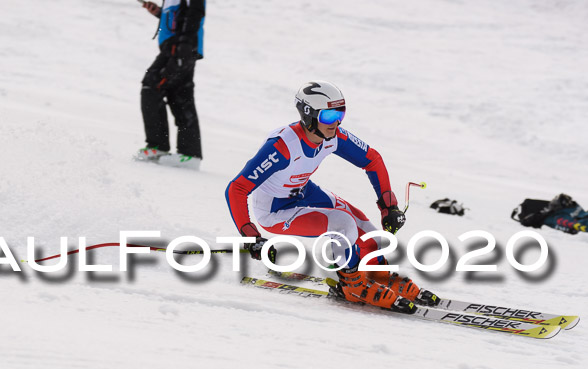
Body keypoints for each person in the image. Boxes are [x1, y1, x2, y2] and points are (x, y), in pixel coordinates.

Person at [225, 81, 436, 312]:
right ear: (309, 115)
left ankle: (377, 275)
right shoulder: (282, 147)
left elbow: (373, 160)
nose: (335, 122)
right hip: (275, 210)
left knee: (366, 228)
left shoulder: (333, 136)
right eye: (328, 116)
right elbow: (236, 188)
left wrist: (389, 207)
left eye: (340, 114)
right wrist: (251, 236)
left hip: (304, 191)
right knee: (343, 224)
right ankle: (352, 285)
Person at [134, 0, 205, 170]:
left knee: (151, 86)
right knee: (179, 95)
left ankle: (158, 147)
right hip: (177, 47)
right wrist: (159, 12)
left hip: (179, 48)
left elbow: (195, 11)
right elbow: (178, 17)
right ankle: (190, 154)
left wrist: (184, 46)